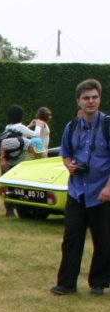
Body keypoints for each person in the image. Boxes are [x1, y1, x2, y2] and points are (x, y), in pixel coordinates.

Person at [50, 79, 110, 296]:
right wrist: (70, 166)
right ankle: (66, 284)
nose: (91, 102)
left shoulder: (107, 125)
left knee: (103, 239)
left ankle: (98, 283)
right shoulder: (71, 126)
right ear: (79, 101)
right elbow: (65, 153)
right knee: (71, 238)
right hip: (77, 191)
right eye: (86, 98)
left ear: (100, 99)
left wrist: (108, 188)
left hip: (102, 193)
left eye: (94, 97)